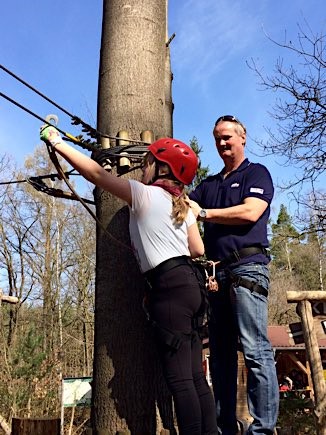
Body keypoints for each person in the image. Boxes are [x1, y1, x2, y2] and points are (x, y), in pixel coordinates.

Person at [40, 125, 219, 435]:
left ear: (162, 168)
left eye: (148, 162)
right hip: (192, 288)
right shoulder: (184, 207)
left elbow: (97, 175)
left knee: (179, 379)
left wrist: (58, 143)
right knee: (195, 377)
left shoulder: (145, 194)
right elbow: (198, 249)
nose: (143, 168)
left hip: (169, 289)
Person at [189, 115, 279, 435]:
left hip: (247, 267)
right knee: (220, 356)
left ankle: (262, 431)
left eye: (227, 136)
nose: (222, 142)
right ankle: (226, 427)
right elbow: (180, 207)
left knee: (255, 350)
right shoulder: (209, 185)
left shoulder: (256, 173)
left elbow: (251, 211)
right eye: (217, 138)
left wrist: (203, 213)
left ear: (243, 138)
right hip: (215, 273)